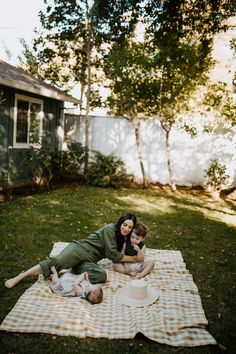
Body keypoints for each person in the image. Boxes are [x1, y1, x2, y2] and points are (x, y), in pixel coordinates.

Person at [5, 212, 137, 289]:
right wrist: (134, 259)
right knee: (55, 262)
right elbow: (113, 255)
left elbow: (121, 255)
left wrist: (128, 268)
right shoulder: (109, 229)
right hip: (80, 249)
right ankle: (19, 277)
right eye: (125, 224)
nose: (126, 228)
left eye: (130, 227)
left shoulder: (123, 238)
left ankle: (69, 273)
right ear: (120, 222)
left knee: (101, 275)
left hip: (90, 260)